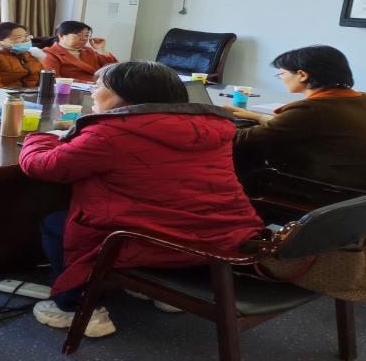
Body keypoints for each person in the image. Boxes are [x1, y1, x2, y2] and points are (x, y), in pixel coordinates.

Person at [20, 61, 264, 338]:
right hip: (223, 238)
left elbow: (43, 166)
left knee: (57, 224)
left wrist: (38, 137)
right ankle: (169, 293)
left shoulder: (111, 133)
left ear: (125, 95)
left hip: (154, 242)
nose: (93, 93)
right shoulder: (214, 126)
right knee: (170, 209)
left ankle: (76, 308)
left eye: (98, 86)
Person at [230, 45, 366, 193]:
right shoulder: (362, 99)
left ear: (302, 75)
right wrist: (256, 116)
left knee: (245, 154)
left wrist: (214, 123)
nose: (281, 78)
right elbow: (293, 125)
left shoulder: (312, 109)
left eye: (282, 73)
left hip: (343, 190)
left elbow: (241, 139)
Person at [40, 21, 118, 83]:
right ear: (61, 35)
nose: (84, 39)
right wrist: (88, 84)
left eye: (86, 35)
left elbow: (114, 70)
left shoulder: (88, 51)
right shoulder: (49, 53)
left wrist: (101, 49)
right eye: (79, 35)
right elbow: (53, 78)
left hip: (99, 87)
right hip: (72, 90)